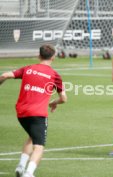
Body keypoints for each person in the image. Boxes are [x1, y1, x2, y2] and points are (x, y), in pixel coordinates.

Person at [0, 44, 67, 177]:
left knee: (32, 136)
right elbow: (64, 98)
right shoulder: (55, 75)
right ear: (53, 57)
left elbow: (4, 75)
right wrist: (54, 102)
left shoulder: (28, 69)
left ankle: (21, 166)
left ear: (39, 55)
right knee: (39, 146)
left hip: (21, 112)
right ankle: (29, 173)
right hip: (38, 114)